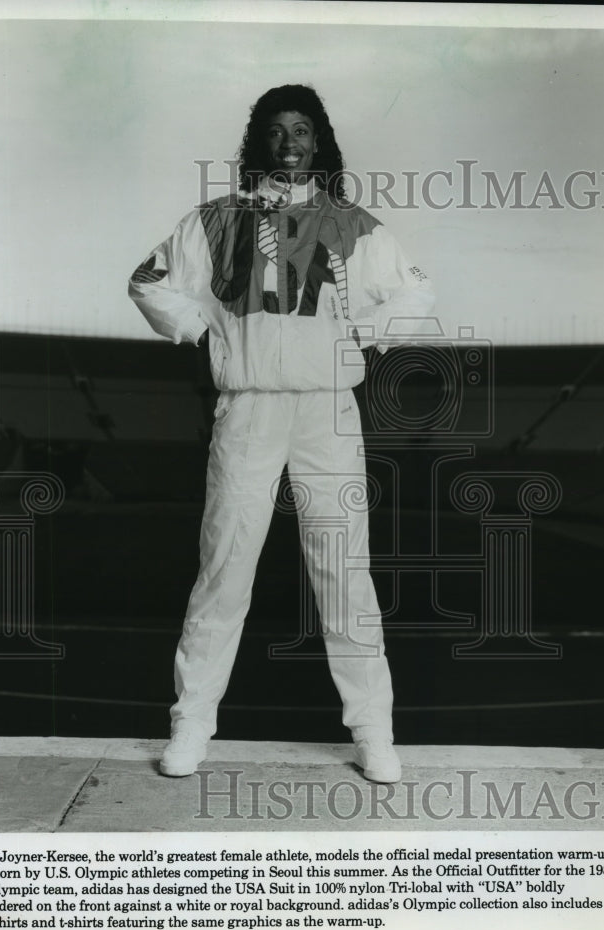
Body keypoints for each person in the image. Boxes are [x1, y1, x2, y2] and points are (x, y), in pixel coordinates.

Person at [128, 84, 434, 782]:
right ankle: (192, 725)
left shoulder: (353, 224)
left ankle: (373, 732)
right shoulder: (215, 220)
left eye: (301, 130)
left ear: (319, 142)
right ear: (256, 143)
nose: (289, 143)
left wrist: (370, 330)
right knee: (224, 567)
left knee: (344, 572)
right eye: (275, 131)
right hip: (249, 408)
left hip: (327, 409)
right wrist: (202, 327)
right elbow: (148, 282)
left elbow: (417, 290)